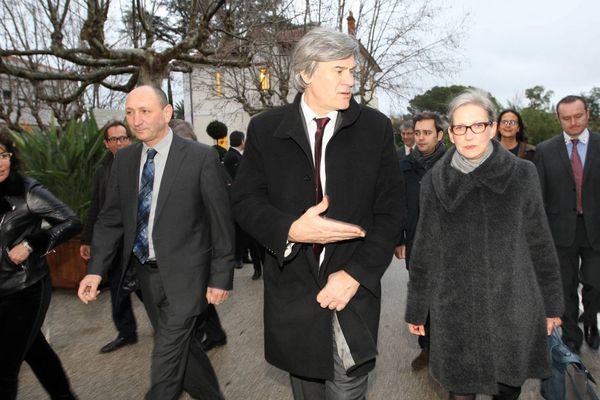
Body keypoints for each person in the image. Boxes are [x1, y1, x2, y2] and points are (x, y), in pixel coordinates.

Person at [232, 27, 405, 399]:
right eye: (338, 71)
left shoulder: (374, 128)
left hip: (351, 294)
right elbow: (245, 202)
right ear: (306, 74)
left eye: (351, 72)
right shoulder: (265, 129)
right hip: (293, 298)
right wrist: (291, 230)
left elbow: (392, 212)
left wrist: (356, 275)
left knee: (347, 389)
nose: (350, 82)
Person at [78, 85, 235, 400]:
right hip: (145, 277)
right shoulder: (124, 161)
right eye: (130, 113)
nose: (136, 120)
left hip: (188, 276)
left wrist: (221, 276)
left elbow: (221, 222)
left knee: (165, 359)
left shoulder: (200, 157)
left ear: (166, 113)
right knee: (182, 349)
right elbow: (110, 220)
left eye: (145, 111)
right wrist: (96, 270)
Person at [405, 89, 563, 400]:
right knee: (460, 391)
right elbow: (424, 249)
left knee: (507, 388)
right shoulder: (435, 182)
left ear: (492, 128)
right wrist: (416, 309)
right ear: (450, 134)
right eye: (460, 128)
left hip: (512, 305)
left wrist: (552, 305)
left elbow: (539, 241)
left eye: (477, 125)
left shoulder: (522, 174)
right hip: (455, 310)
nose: (468, 135)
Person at [0, 127, 81, 399]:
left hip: (26, 287)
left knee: (5, 366)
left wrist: (31, 243)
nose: (0, 163)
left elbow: (71, 221)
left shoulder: (26, 190)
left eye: (3, 155)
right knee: (35, 350)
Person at [534, 95, 600, 353]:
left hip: (596, 229)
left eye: (578, 116)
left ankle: (591, 320)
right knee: (565, 286)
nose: (573, 122)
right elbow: (539, 194)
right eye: (566, 118)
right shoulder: (544, 150)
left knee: (596, 283)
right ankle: (571, 334)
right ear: (558, 119)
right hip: (559, 232)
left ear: (588, 114)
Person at [80, 120, 140, 354]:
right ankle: (126, 332)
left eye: (123, 137)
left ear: (130, 139)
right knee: (117, 289)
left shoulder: (142, 164)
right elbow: (96, 207)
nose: (119, 142)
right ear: (106, 144)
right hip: (114, 241)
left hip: (139, 241)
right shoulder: (102, 170)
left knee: (149, 289)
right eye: (114, 139)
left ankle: (174, 327)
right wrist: (87, 239)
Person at [170, 118, 229, 352]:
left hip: (199, 245)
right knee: (202, 295)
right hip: (187, 245)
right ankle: (215, 333)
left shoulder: (204, 161)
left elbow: (217, 210)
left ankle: (200, 337)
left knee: (198, 296)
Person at [395, 111, 446, 372]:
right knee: (421, 296)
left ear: (440, 135)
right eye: (418, 133)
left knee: (446, 297)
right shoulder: (404, 165)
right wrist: (399, 238)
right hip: (416, 242)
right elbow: (398, 205)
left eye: (427, 132)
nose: (421, 137)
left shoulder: (453, 163)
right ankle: (426, 348)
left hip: (448, 244)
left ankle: (447, 349)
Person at [224, 130, 263, 280]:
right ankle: (255, 267)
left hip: (251, 203)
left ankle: (256, 265)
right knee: (248, 237)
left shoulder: (242, 156)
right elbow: (238, 180)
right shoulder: (232, 157)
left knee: (253, 238)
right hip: (243, 204)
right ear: (241, 141)